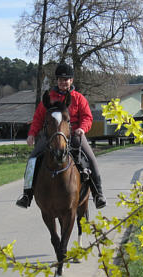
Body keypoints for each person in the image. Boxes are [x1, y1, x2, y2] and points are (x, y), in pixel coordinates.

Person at [16, 63, 107, 209]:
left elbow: (87, 117)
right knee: (32, 159)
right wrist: (32, 134)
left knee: (91, 159)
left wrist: (82, 129)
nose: (63, 82)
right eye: (60, 79)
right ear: (57, 81)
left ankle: (98, 194)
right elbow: (38, 118)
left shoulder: (79, 98)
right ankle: (27, 195)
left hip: (75, 134)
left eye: (66, 79)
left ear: (71, 80)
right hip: (51, 136)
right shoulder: (49, 99)